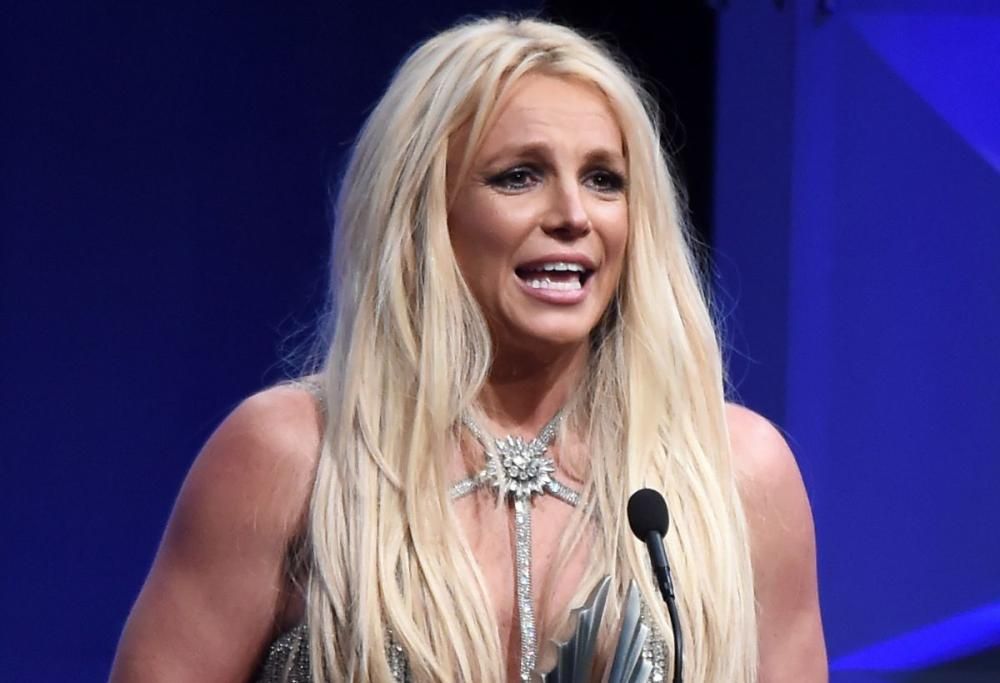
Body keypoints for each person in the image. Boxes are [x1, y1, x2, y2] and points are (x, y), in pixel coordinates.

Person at [110, 16, 826, 683]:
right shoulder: (295, 455)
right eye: (519, 176)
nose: (573, 215)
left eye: (604, 179)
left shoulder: (738, 472)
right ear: (424, 208)